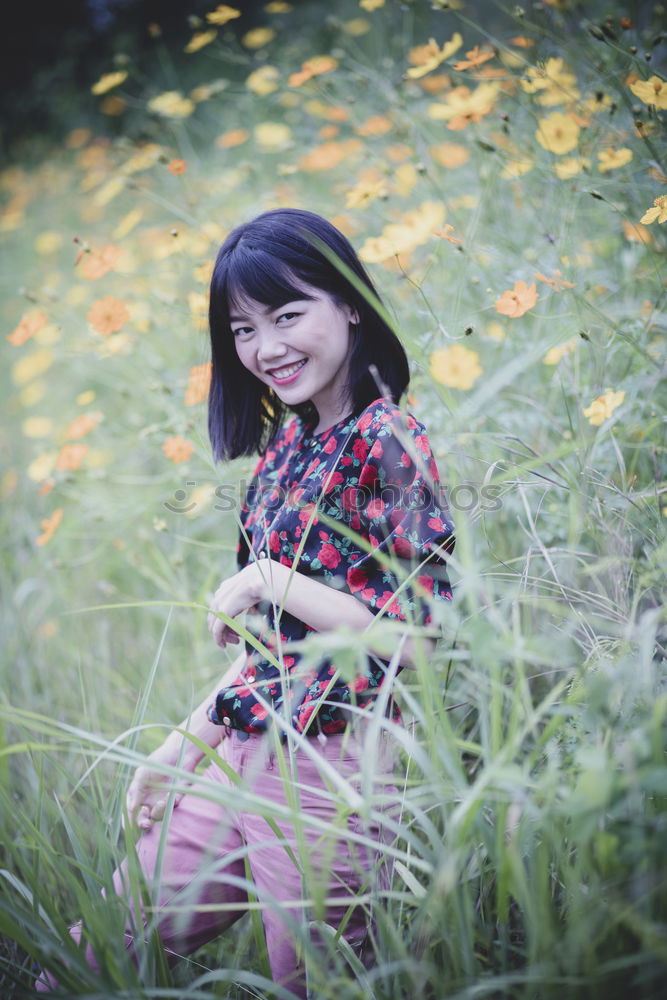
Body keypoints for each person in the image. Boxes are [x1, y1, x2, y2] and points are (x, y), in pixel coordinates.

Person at [36, 208, 455, 997]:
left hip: (334, 761)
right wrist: (180, 749)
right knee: (102, 945)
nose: (266, 349)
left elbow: (421, 637)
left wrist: (273, 579)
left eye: (288, 315)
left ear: (350, 303)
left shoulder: (387, 438)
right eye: (242, 329)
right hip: (243, 748)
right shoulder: (283, 454)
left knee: (316, 979)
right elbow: (269, 650)